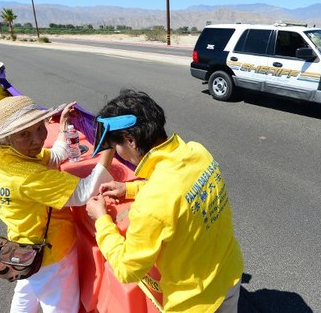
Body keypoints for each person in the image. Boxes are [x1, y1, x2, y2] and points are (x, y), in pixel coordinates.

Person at [86, 89, 243, 312]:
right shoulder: (198, 152)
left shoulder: (151, 204)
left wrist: (101, 219)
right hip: (229, 273)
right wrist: (130, 188)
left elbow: (127, 268)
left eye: (116, 146)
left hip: (194, 302)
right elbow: (180, 190)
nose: (118, 153)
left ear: (130, 140)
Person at [0, 95, 117, 313]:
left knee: (25, 296)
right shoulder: (29, 176)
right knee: (60, 306)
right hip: (51, 254)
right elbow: (84, 192)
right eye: (24, 134)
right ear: (6, 138)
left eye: (40, 127)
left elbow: (54, 156)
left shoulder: (3, 158)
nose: (37, 139)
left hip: (22, 247)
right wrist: (108, 149)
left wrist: (64, 125)